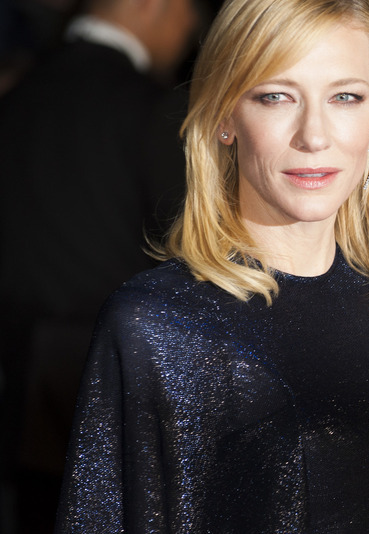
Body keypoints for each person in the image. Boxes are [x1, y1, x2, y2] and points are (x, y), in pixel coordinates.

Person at [55, 0, 369, 532]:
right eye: (277, 96)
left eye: (345, 97)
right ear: (223, 114)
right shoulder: (158, 325)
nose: (314, 135)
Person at [0, 0, 198, 530]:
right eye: (187, 19)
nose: (185, 37)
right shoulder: (151, 108)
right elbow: (188, 248)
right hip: (111, 378)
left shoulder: (17, 92)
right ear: (154, 6)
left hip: (14, 375)